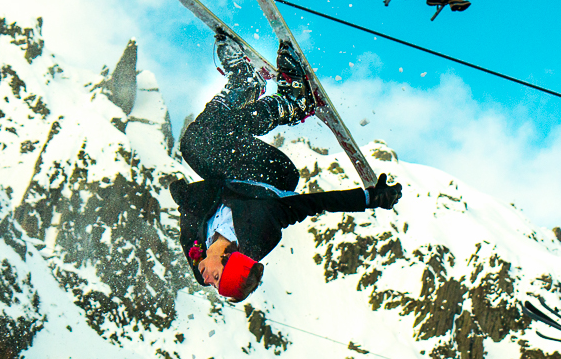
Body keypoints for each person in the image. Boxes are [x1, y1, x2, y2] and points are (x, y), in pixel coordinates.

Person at [169, 32, 403, 302]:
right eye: (217, 277)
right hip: (270, 173)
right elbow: (313, 204)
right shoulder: (259, 230)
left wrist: (184, 199)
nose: (208, 280)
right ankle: (288, 101)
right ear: (228, 258)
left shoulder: (198, 258)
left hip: (229, 178)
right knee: (222, 133)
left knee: (194, 144)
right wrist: (371, 198)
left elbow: (189, 213)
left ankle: (252, 87)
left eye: (214, 284)